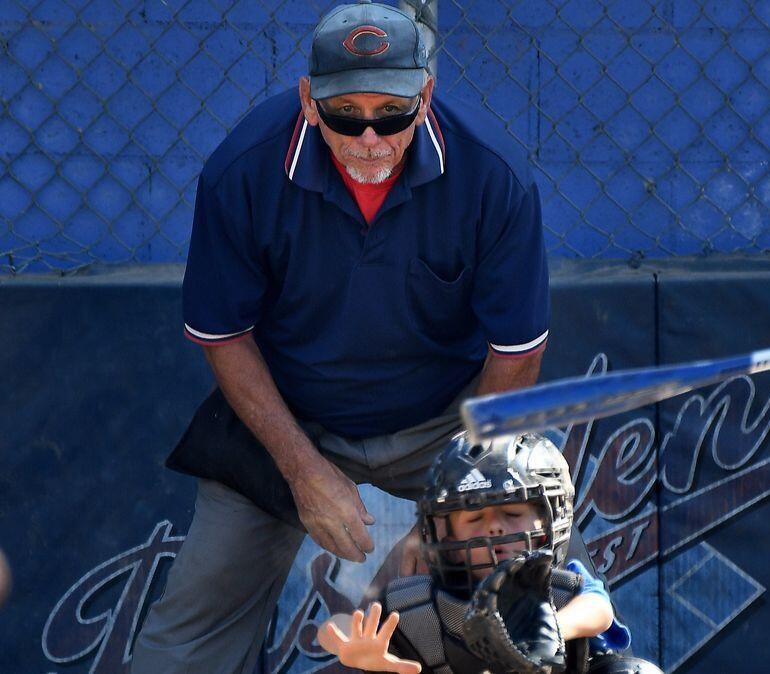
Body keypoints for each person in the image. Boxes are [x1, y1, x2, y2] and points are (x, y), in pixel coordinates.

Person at [131, 2, 597, 672]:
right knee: (188, 633)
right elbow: (224, 336)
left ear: (426, 95)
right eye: (347, 113)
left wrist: (448, 509)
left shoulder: (493, 173)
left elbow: (516, 354)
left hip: (446, 419)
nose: (371, 136)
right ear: (308, 101)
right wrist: (302, 469)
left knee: (548, 596)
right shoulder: (241, 170)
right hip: (291, 417)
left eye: (394, 113)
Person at [317, 431, 658, 674]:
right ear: (441, 530)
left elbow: (598, 609)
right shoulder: (418, 602)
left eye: (512, 515)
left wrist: (552, 626)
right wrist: (353, 647)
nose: (494, 529)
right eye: (474, 517)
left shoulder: (560, 585)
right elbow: (342, 627)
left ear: (551, 517)